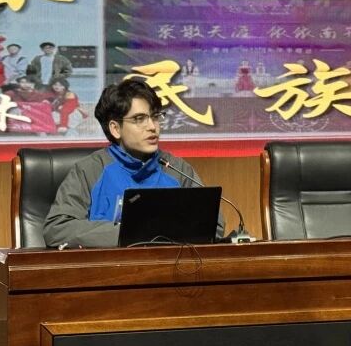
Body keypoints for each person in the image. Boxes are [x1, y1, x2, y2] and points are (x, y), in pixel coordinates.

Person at [42, 78, 222, 248]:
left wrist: (155, 234)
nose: (152, 127)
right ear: (115, 129)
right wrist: (129, 233)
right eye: (139, 119)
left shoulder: (177, 169)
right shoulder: (89, 170)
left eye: (155, 117)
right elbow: (57, 229)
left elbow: (215, 226)